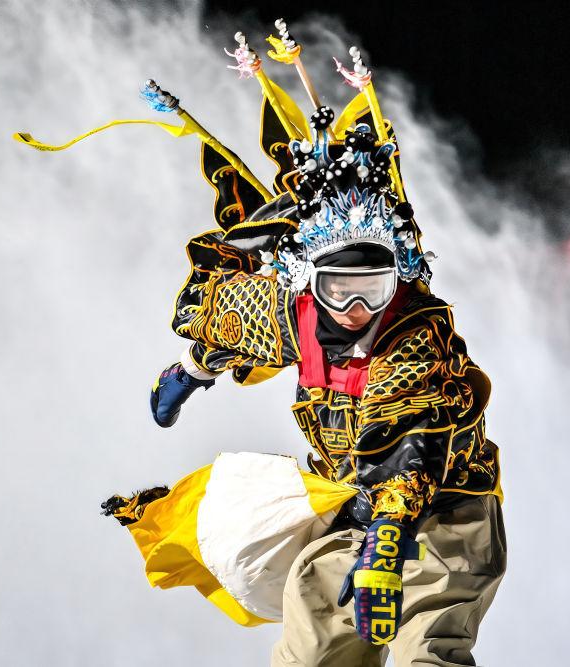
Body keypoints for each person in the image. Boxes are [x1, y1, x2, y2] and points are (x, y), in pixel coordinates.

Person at [146, 104, 507, 666]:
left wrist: (386, 547)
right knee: (314, 639)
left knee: (428, 648)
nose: (359, 307)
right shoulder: (292, 315)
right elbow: (222, 318)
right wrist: (191, 372)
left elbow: (407, 443)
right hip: (356, 508)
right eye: (340, 288)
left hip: (445, 511)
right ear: (309, 284)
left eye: (375, 287)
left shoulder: (415, 334)